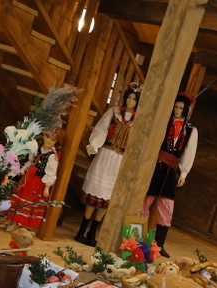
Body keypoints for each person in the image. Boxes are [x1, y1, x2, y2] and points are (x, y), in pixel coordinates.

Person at [75, 82, 142, 246]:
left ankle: (93, 231)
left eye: (134, 99)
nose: (131, 101)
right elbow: (101, 129)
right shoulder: (113, 112)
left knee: (107, 197)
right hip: (105, 156)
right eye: (129, 98)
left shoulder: (138, 121)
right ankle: (82, 229)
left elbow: (137, 144)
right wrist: (94, 144)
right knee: (95, 193)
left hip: (119, 162)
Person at [140, 92, 198, 258]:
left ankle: (159, 245)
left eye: (180, 108)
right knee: (145, 201)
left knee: (167, 206)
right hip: (156, 167)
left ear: (186, 110)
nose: (177, 110)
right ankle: (138, 240)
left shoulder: (191, 130)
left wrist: (184, 172)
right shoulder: (164, 122)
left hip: (171, 171)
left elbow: (190, 151)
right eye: (176, 107)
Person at [5, 131, 59, 230]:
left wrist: (47, 187)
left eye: (53, 139)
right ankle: (12, 220)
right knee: (19, 197)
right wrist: (23, 169)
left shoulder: (52, 156)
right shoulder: (38, 148)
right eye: (48, 137)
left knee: (27, 199)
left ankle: (18, 223)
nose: (50, 141)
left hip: (37, 181)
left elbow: (51, 172)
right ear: (43, 136)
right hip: (28, 177)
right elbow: (31, 161)